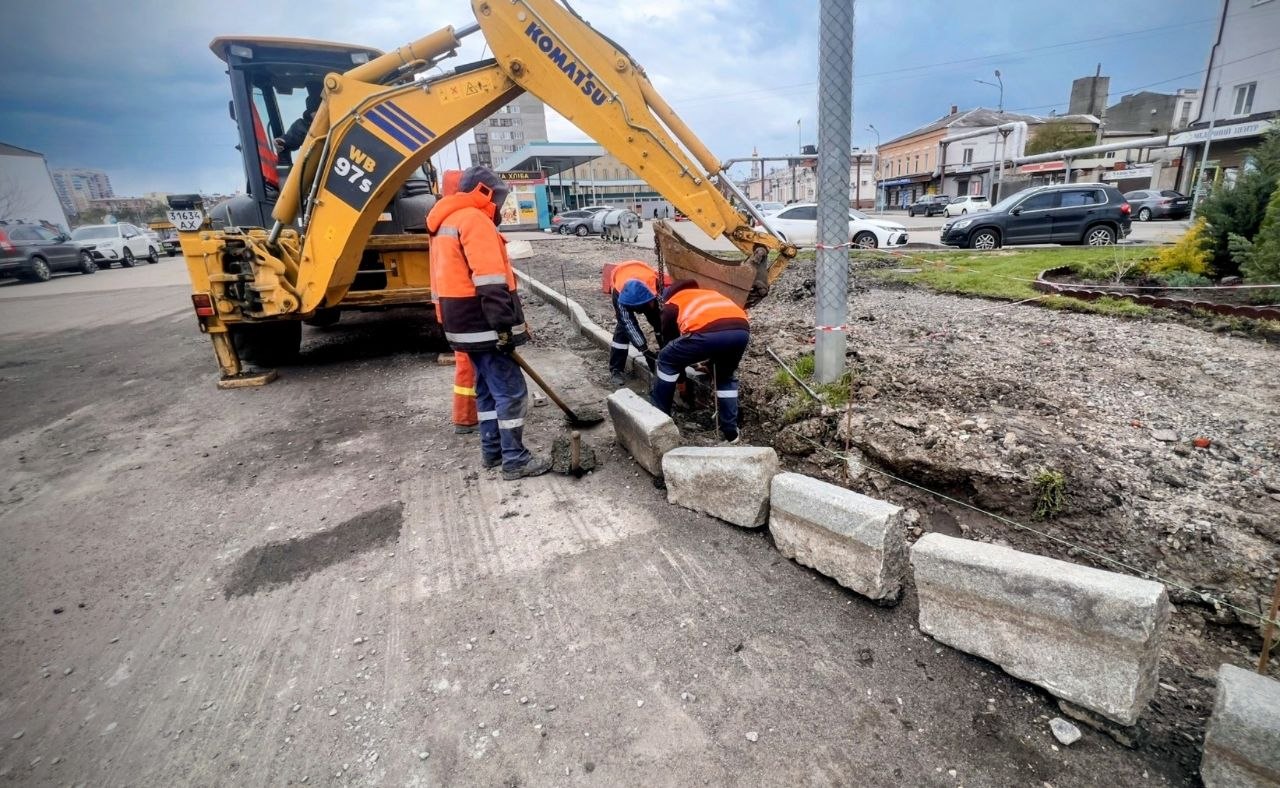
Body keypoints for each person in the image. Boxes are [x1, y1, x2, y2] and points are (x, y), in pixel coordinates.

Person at [427, 165, 550, 480]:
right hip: (484, 324)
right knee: (510, 391)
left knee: (485, 389)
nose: (502, 204)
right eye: (499, 196)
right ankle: (515, 460)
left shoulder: (446, 222)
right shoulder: (474, 220)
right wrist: (504, 327)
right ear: (484, 192)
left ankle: (492, 452)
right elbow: (490, 280)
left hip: (461, 325)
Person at [652, 279, 750, 443]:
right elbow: (722, 329)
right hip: (741, 330)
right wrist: (711, 365)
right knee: (724, 377)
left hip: (707, 333)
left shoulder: (672, 304)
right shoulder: (709, 294)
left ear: (669, 295)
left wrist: (681, 380)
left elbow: (670, 347)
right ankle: (731, 433)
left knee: (665, 359)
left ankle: (660, 415)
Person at [607, 260, 662, 387]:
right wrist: (645, 350)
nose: (639, 312)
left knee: (658, 321)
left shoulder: (655, 287)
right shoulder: (619, 295)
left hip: (643, 275)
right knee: (623, 328)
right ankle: (616, 369)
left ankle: (664, 351)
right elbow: (628, 323)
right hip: (621, 277)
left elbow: (663, 314)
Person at [275, 82, 323, 157]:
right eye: (314, 111)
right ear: (309, 112)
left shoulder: (339, 122)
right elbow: (292, 137)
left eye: (321, 110)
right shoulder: (304, 126)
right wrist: (282, 142)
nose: (317, 114)